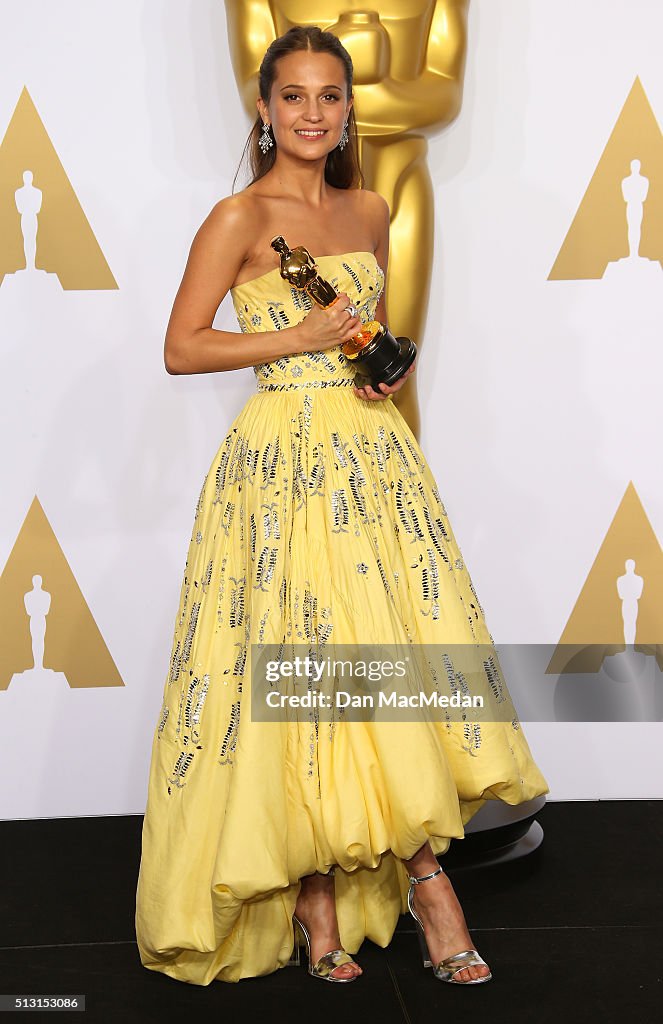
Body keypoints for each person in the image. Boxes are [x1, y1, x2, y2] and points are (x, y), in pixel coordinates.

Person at [135, 25, 549, 987]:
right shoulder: (238, 217)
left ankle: (424, 881)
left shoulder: (368, 208)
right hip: (276, 463)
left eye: (329, 96)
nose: (312, 113)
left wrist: (366, 373)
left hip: (369, 459)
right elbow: (183, 347)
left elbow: (367, 336)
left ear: (349, 109)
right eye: (294, 97)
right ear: (265, 109)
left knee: (378, 658)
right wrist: (297, 339)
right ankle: (318, 893)